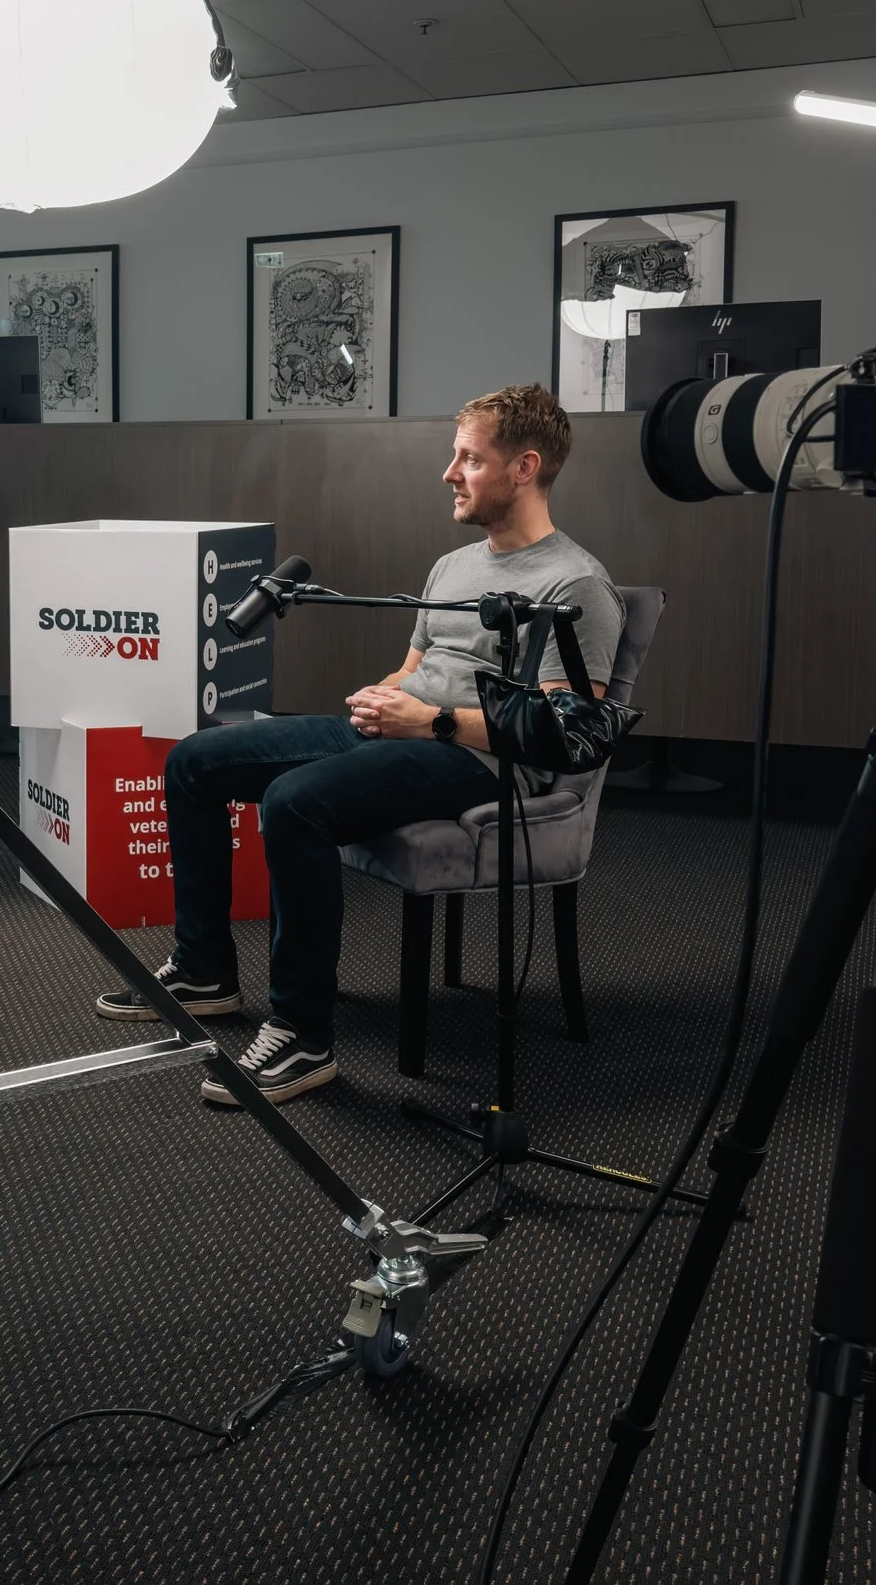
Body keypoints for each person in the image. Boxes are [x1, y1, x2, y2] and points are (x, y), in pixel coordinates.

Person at [94, 383, 622, 1106]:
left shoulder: (576, 584)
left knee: (294, 802)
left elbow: (562, 731)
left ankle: (304, 1035)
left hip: (478, 759)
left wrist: (428, 721)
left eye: (469, 458)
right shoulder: (454, 567)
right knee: (195, 761)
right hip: (406, 728)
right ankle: (204, 970)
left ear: (525, 467)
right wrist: (381, 701)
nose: (449, 473)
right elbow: (413, 670)